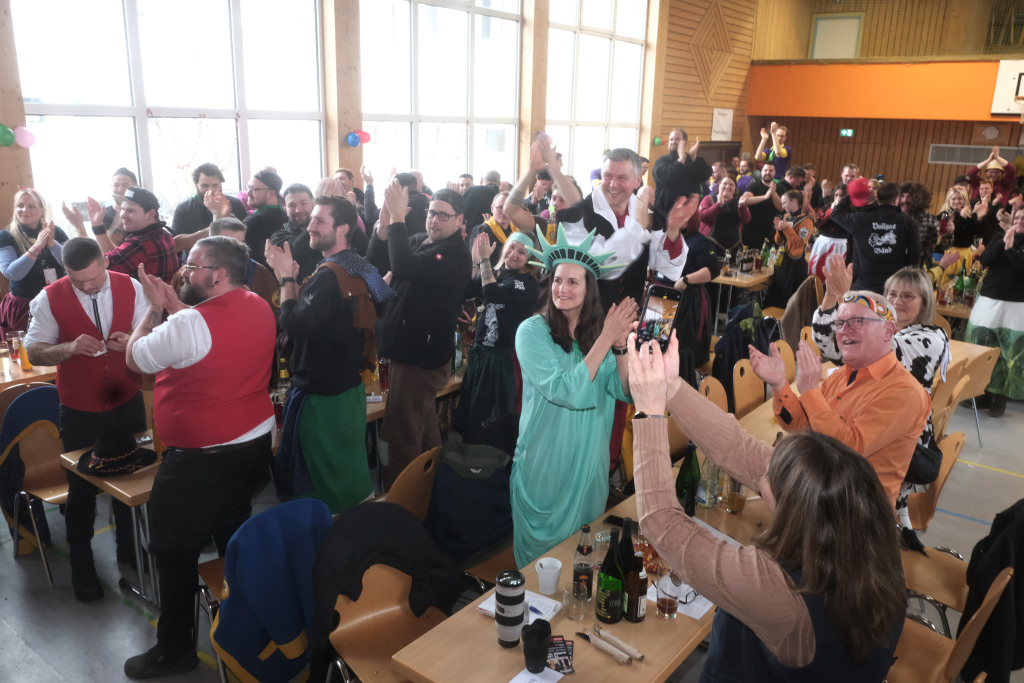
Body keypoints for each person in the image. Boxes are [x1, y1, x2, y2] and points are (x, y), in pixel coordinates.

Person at [629, 334, 905, 682]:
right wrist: (671, 387)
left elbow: (663, 523)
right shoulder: (862, 533)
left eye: (773, 475)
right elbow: (738, 447)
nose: (765, 469)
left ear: (797, 510)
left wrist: (648, 412)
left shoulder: (784, 597)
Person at [123, 236, 276, 679]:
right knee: (232, 530)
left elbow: (136, 359)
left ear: (218, 275)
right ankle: (248, 621)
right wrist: (176, 307)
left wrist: (153, 308)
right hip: (253, 445)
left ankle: (175, 650)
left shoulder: (189, 324)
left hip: (201, 461)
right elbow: (205, 333)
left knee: (173, 550)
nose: (184, 272)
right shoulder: (257, 304)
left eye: (193, 266)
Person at [25, 237, 150, 602]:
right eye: (78, 281)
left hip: (127, 400)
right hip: (80, 408)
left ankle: (130, 549)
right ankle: (82, 566)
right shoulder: (48, 298)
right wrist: (68, 348)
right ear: (66, 271)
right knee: (81, 490)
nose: (88, 286)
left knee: (131, 475)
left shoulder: (131, 286)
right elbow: (35, 351)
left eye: (94, 279)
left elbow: (150, 331)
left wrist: (133, 340)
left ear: (105, 262)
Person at [511, 227, 636, 566]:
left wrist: (619, 346)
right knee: (540, 573)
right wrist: (607, 337)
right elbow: (565, 389)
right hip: (545, 469)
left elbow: (624, 390)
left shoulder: (595, 336)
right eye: (557, 280)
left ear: (589, 288)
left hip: (588, 469)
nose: (561, 289)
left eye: (572, 282)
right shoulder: (531, 332)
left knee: (581, 568)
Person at [266, 195, 391, 513]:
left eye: (320, 221)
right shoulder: (359, 263)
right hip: (351, 389)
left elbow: (293, 325)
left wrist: (287, 278)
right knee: (348, 468)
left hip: (322, 396)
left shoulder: (327, 276)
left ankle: (331, 533)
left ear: (343, 228)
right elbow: (384, 295)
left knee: (323, 480)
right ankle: (358, 526)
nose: (311, 226)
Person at [749, 291, 929, 507]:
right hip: (816, 489)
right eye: (840, 323)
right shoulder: (842, 375)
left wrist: (810, 391)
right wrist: (780, 385)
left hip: (855, 512)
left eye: (857, 321)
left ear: (888, 331)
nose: (844, 330)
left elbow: (848, 448)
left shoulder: (905, 392)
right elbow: (803, 427)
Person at [813, 258, 951, 540]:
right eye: (892, 294)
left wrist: (847, 300)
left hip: (896, 446)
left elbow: (879, 347)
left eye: (908, 296)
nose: (898, 301)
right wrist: (832, 295)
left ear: (925, 303)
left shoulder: (931, 338)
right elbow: (827, 343)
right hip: (866, 419)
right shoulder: (884, 327)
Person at [367, 182, 472, 488]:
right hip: (408, 353)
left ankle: (401, 499)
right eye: (431, 213)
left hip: (419, 359)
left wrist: (399, 218)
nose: (434, 220)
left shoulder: (455, 254)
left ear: (460, 220)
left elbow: (402, 265)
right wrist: (384, 227)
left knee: (399, 434)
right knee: (422, 426)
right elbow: (377, 263)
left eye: (443, 215)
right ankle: (431, 490)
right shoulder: (419, 241)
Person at [455, 232, 538, 442]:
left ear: (529, 259)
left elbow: (493, 294)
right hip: (481, 354)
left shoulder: (526, 282)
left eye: (522, 252)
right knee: (470, 414)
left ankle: (492, 457)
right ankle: (468, 454)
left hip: (503, 360)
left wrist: (485, 260)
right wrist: (476, 263)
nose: (514, 254)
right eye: (512, 247)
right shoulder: (496, 273)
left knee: (492, 419)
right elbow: (466, 291)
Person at [558, 147, 654, 308]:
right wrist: (637, 227)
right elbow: (601, 264)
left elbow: (665, 264)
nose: (613, 185)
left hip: (632, 315)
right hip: (589, 315)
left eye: (622, 177)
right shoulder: (577, 216)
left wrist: (673, 231)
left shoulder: (647, 213)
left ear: (638, 180)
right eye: (607, 176)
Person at [648, 194, 720, 382]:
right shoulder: (664, 237)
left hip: (687, 301)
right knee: (655, 345)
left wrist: (686, 280)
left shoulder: (699, 240)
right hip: (660, 298)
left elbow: (713, 270)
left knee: (680, 351)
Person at [965, 206, 1024, 418]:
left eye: (1023, 219)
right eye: (1017, 217)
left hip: (1016, 304)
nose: (1019, 221)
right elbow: (985, 260)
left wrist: (1010, 249)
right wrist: (1002, 243)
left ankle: (1000, 399)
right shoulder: (1001, 236)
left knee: (1008, 352)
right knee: (983, 345)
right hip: (989, 299)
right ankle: (981, 394)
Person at [829, 179, 920, 294]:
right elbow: (915, 253)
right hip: (893, 287)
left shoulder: (861, 219)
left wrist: (852, 193)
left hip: (863, 285)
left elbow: (835, 214)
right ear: (896, 199)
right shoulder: (907, 221)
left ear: (877, 198)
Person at [0, 188, 68, 337]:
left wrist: (52, 243)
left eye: (31, 206)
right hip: (24, 307)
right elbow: (12, 273)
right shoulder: (6, 236)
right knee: (27, 350)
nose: (25, 210)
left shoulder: (56, 231)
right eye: (20, 206)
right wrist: (37, 247)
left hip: (57, 303)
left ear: (42, 210)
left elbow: (72, 264)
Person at [84, 186, 179, 283]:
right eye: (122, 209)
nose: (123, 215)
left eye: (130, 211)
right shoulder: (165, 234)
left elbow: (96, 269)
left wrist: (81, 227)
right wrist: (98, 226)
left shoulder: (139, 244)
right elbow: (118, 256)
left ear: (151, 214)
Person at [763, 190, 813, 308]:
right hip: (782, 262)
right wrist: (779, 230)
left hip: (794, 266)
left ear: (794, 201)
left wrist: (786, 229)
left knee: (788, 299)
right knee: (776, 294)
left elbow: (799, 243)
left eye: (785, 202)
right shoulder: (787, 217)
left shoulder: (807, 221)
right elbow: (778, 241)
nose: (783, 206)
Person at [653, 128, 710, 229]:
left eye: (677, 139)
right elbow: (666, 178)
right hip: (664, 213)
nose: (673, 141)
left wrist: (694, 158)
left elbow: (704, 175)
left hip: (688, 215)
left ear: (685, 142)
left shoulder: (692, 160)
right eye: (671, 139)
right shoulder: (662, 161)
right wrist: (681, 160)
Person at [170, 162, 247, 235]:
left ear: (221, 184)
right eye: (205, 186)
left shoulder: (235, 203)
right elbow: (177, 241)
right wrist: (218, 222)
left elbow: (246, 234)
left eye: (215, 185)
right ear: (196, 185)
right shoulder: (184, 209)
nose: (211, 190)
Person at [270, 183, 322, 281]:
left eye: (303, 203)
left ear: (313, 203)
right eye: (292, 205)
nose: (298, 210)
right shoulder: (279, 238)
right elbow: (300, 248)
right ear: (285, 208)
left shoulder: (328, 230)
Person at [243, 169, 288, 267]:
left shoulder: (253, 222)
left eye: (254, 189)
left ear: (272, 193)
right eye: (248, 187)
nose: (248, 193)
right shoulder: (288, 218)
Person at [698, 176, 750, 253]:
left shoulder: (739, 202)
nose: (727, 186)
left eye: (731, 185)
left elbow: (746, 220)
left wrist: (742, 207)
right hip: (711, 245)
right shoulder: (709, 199)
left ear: (735, 189)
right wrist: (718, 205)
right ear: (719, 186)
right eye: (725, 183)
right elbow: (702, 217)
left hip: (734, 248)